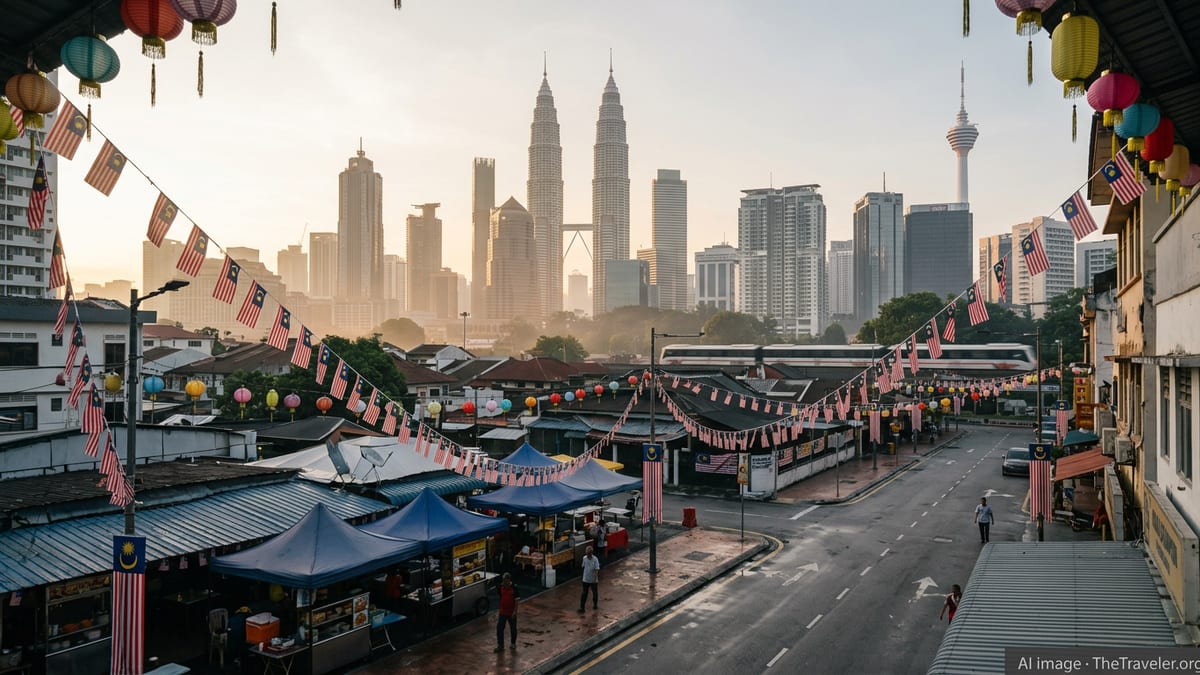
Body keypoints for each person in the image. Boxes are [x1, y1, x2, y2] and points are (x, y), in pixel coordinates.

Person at [494, 573, 518, 652]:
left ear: (509, 581)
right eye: (503, 581)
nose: (504, 583)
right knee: (499, 628)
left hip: (511, 612)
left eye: (506, 581)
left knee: (513, 629)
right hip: (503, 612)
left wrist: (515, 611)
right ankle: (500, 645)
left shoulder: (514, 588)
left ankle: (513, 643)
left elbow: (517, 600)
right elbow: (501, 596)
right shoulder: (500, 587)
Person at [578, 546, 600, 612]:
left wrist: (594, 578)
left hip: (593, 580)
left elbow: (597, 569)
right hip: (586, 579)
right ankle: (582, 607)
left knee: (594, 593)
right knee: (584, 593)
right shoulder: (584, 558)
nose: (587, 554)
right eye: (587, 553)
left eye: (589, 553)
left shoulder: (595, 559)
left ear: (591, 553)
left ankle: (595, 605)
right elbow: (583, 566)